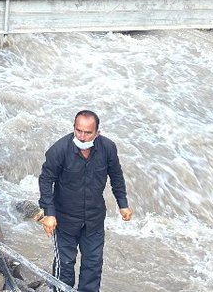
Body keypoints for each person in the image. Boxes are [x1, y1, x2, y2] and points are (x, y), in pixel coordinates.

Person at [39, 110, 131, 292]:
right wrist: (49, 213)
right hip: (65, 220)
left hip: (94, 220)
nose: (82, 136)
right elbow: (45, 180)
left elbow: (116, 176)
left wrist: (123, 204)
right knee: (64, 266)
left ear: (97, 132)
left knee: (93, 266)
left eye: (88, 132)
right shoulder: (59, 150)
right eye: (78, 130)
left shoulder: (108, 148)